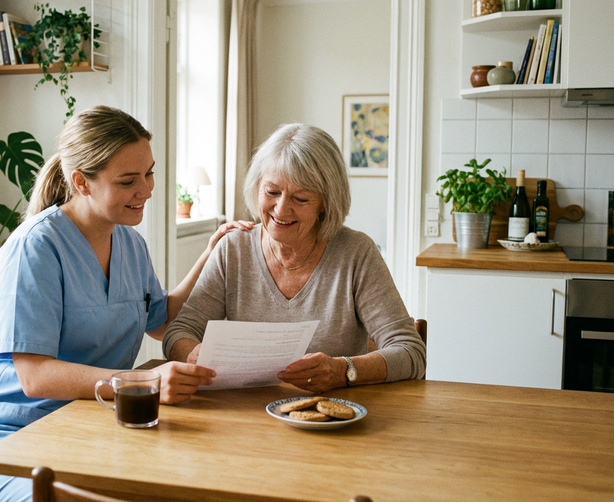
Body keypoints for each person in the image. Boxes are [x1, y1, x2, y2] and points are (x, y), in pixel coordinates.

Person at [0, 105, 252, 501]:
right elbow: (35, 377)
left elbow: (160, 319)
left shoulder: (130, 243)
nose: (146, 190)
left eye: (149, 173)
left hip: (88, 427)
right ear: (81, 182)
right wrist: (138, 382)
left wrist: (210, 255)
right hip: (7, 438)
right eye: (128, 181)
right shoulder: (34, 249)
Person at [163, 123, 426, 393]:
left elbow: (411, 352)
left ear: (326, 203)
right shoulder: (233, 248)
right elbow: (177, 333)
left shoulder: (356, 253)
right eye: (272, 192)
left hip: (332, 412)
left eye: (300, 198)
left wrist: (341, 370)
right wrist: (193, 353)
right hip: (246, 410)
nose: (281, 209)